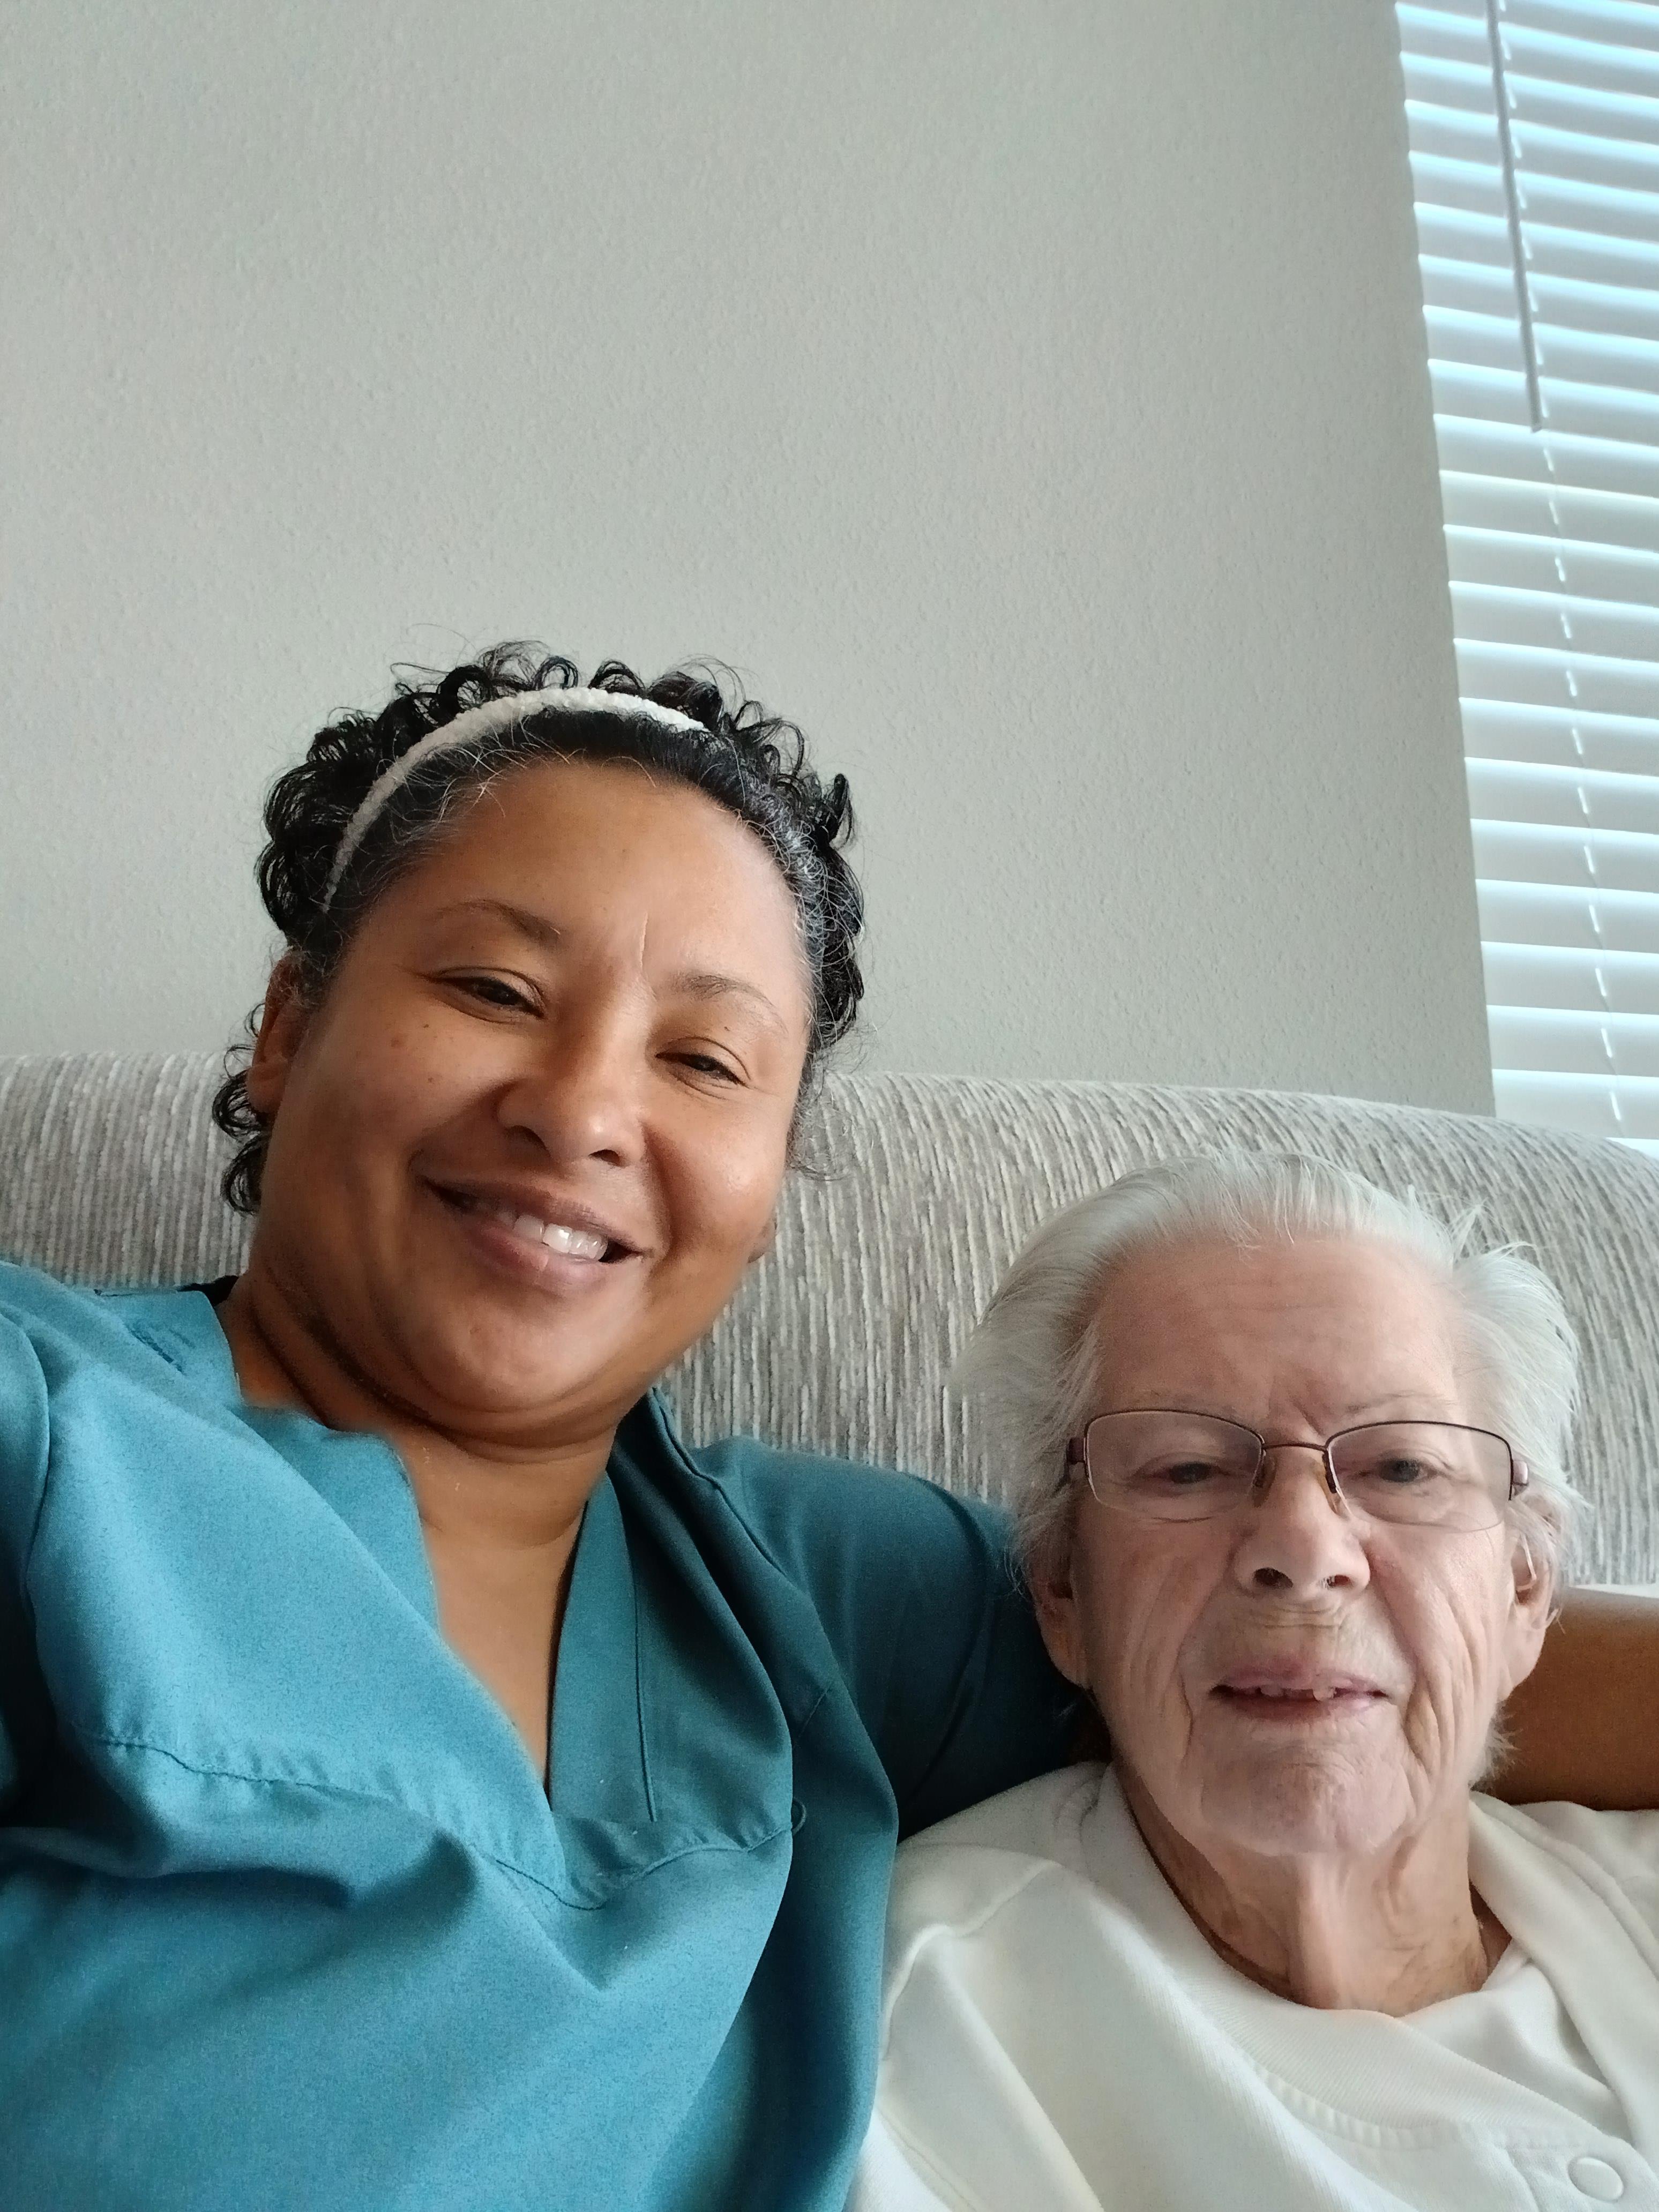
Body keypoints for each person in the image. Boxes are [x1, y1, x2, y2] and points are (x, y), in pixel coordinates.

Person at [0, 653, 1652, 2212]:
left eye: (704, 1059)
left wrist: (1472, 1587)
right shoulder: (48, 1424)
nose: (581, 1110)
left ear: (776, 1183)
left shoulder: (827, 1587)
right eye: (497, 987)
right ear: (291, 1027)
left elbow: (1291, 1627)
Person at [857, 1156, 1659, 2212]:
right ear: (1061, 1590)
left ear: (1525, 1587)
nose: (1301, 1544)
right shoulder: (926, 2032)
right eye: (1187, 1468)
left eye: (1401, 1469)